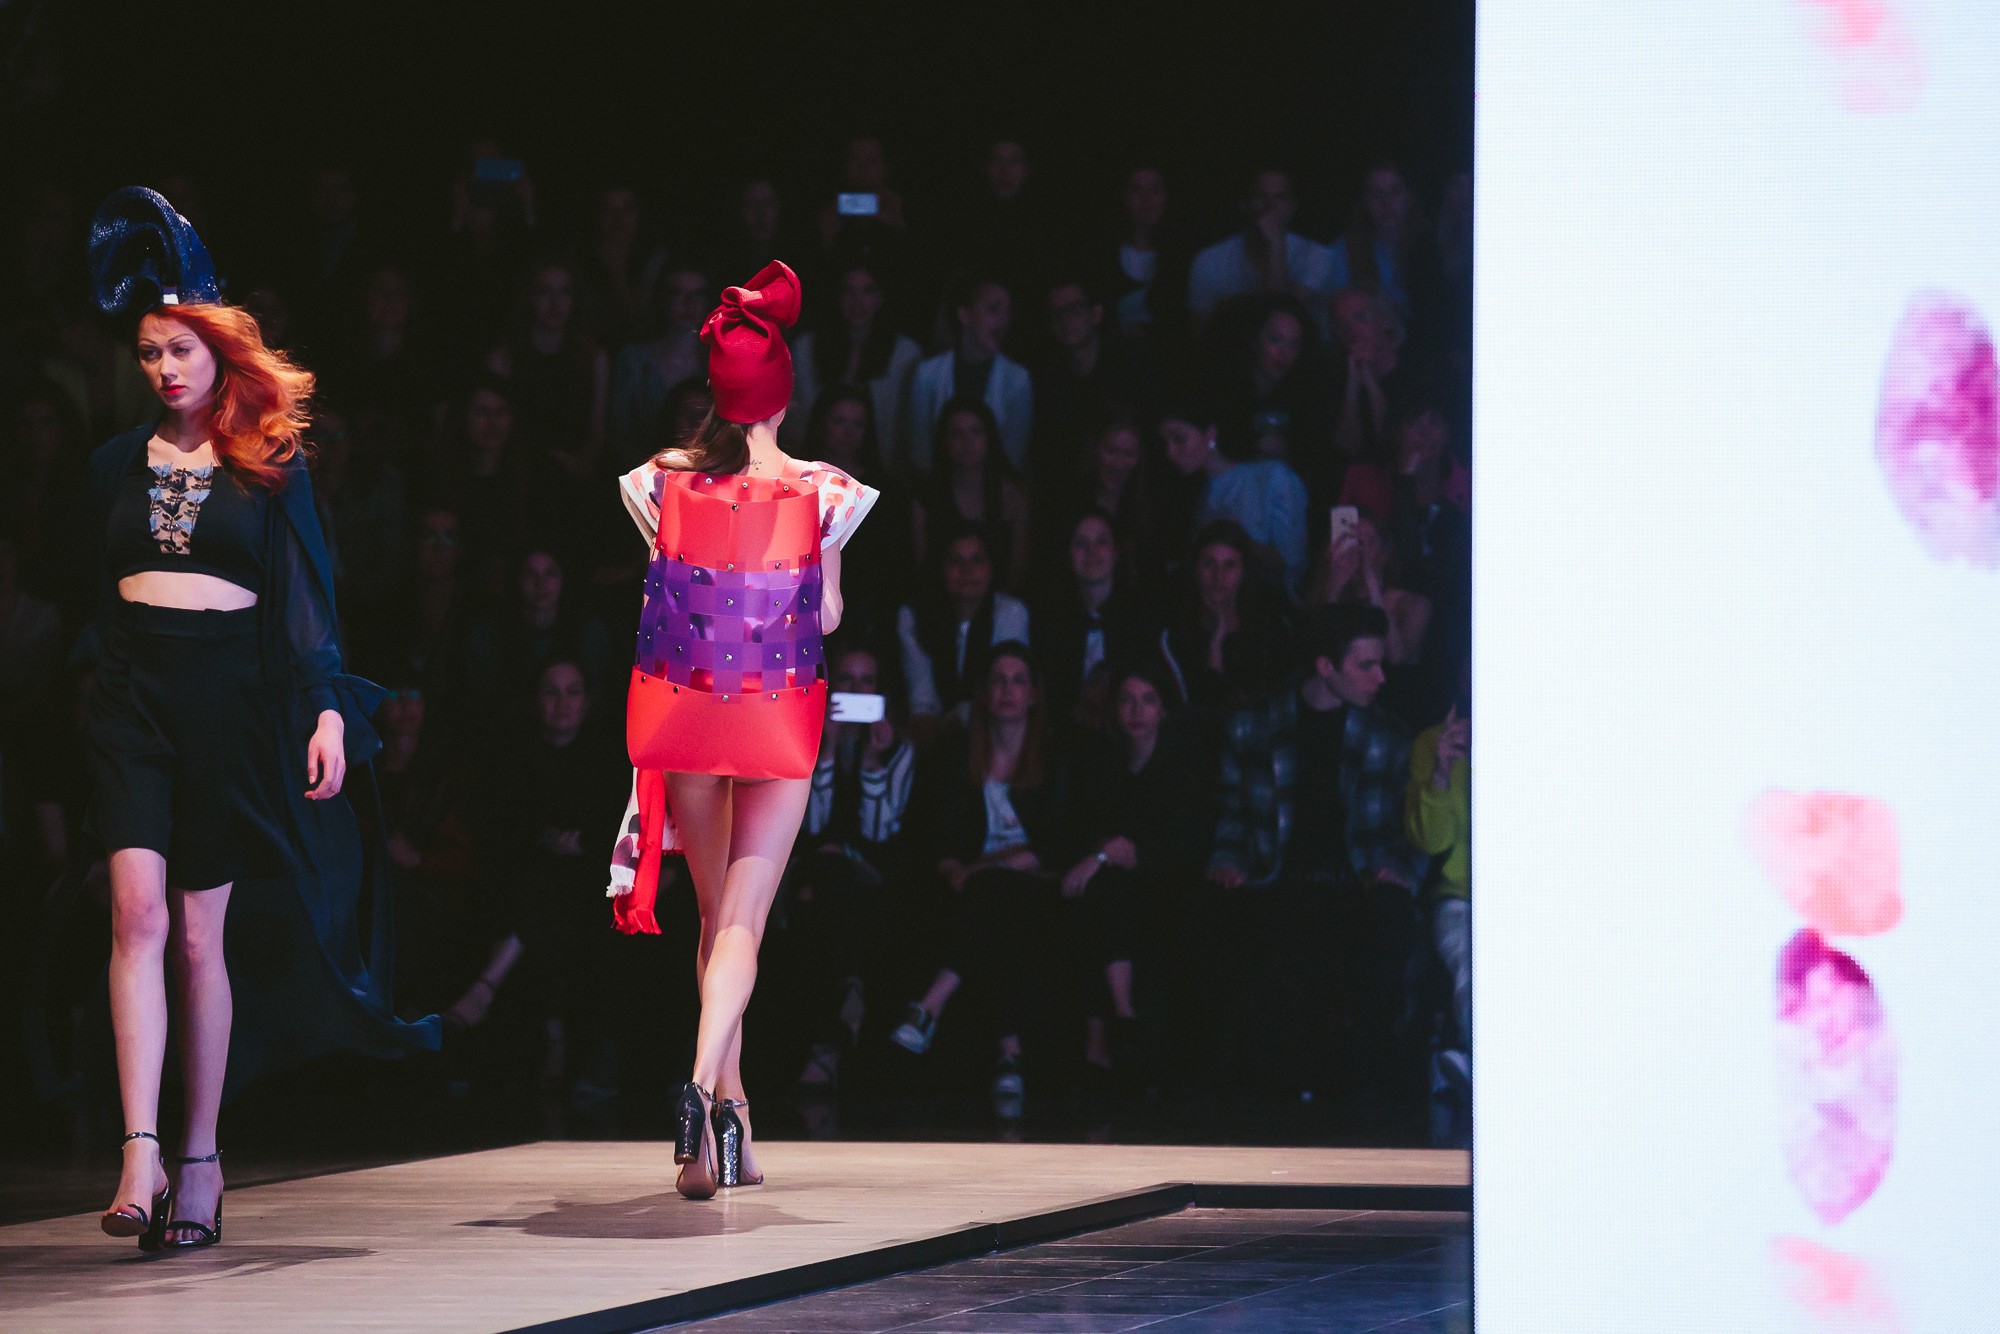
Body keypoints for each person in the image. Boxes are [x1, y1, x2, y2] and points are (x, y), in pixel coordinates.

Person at [81, 187, 437, 1251]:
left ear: (219, 352)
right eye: (149, 353)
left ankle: (201, 1156)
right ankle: (139, 1147)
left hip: (228, 703)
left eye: (181, 349)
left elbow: (306, 601)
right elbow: (92, 596)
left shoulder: (270, 468)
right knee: (134, 915)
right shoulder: (112, 465)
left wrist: (325, 707)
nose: (165, 368)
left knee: (199, 935)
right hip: (131, 696)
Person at [607, 261, 876, 1198]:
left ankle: (724, 1135)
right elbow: (826, 617)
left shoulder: (658, 482)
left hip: (686, 711)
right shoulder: (825, 491)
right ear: (783, 394)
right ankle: (699, 1089)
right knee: (743, 926)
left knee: (714, 917)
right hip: (776, 718)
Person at [1206, 604, 1425, 1101]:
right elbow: (1232, 813)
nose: (1380, 677)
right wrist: (1228, 862)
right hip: (1276, 881)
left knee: (1390, 921)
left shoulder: (1387, 735)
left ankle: (1369, 1088)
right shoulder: (1254, 726)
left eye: (1380, 663)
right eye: (1365, 665)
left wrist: (1396, 870)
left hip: (1356, 886)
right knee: (1224, 922)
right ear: (1326, 667)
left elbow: (1400, 829)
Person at [888, 645, 1073, 1109]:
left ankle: (930, 1005)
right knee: (991, 914)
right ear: (985, 693)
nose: (1008, 690)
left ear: (1033, 694)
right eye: (998, 681)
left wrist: (985, 868)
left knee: (995, 895)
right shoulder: (958, 755)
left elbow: (1054, 843)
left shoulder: (1053, 756)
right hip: (974, 888)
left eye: (1018, 681)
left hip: (1035, 884)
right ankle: (1010, 1055)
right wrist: (955, 867)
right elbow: (938, 836)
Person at [1406, 654, 1470, 1147]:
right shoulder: (1434, 742)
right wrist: (1443, 772)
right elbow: (1430, 841)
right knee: (1472, 961)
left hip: (1536, 901)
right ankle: (1484, 1063)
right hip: (1461, 898)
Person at [896, 526, 1030, 739]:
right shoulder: (912, 616)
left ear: (991, 568)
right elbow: (922, 697)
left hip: (992, 728)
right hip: (931, 732)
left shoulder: (1011, 613)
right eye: (955, 561)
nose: (966, 570)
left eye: (977, 560)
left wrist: (961, 718)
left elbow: (1003, 681)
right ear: (941, 567)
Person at [902, 275, 1033, 475]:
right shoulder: (928, 374)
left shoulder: (1017, 379)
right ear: (964, 314)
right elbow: (920, 452)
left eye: (1007, 312)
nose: (1003, 321)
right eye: (993, 309)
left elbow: (1013, 456)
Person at [786, 259, 922, 450]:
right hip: (813, 456)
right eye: (848, 290)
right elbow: (796, 417)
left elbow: (906, 424)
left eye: (868, 291)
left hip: (881, 459)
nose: (857, 302)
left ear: (881, 297)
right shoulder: (806, 347)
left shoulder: (905, 353)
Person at [1186, 167, 1337, 332]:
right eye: (1261, 196)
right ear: (1245, 205)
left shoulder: (1317, 256)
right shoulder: (1209, 259)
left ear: (1293, 207)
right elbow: (1200, 331)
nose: (1271, 206)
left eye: (1280, 197)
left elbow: (1280, 319)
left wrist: (1276, 244)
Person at [912, 397, 1031, 592]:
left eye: (976, 432)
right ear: (944, 441)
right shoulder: (926, 498)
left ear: (989, 438)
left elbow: (1017, 572)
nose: (967, 442)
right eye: (957, 433)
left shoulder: (1012, 498)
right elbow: (921, 568)